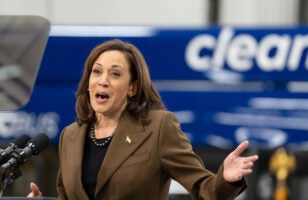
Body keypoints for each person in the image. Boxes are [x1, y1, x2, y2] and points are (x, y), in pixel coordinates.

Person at [28, 39, 259, 199]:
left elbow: (204, 189)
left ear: (132, 88)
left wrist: (225, 179)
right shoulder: (71, 135)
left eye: (115, 74)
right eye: (96, 72)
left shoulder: (158, 127)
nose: (103, 80)